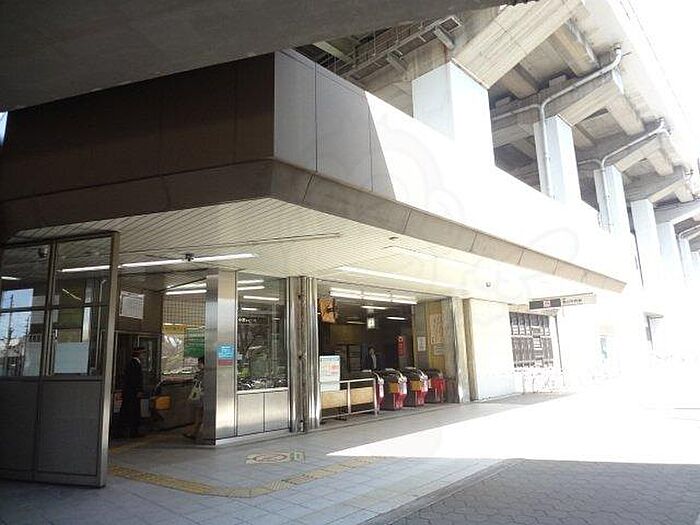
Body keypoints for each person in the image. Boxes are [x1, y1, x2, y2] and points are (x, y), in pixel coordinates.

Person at [120, 347, 144, 438]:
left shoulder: (131, 363)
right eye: (142, 354)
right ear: (139, 354)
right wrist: (139, 390)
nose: (143, 356)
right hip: (133, 393)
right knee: (133, 411)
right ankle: (133, 431)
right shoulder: (135, 364)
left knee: (127, 411)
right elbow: (135, 379)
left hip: (129, 392)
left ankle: (124, 431)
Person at [185, 356, 204, 440]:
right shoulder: (200, 373)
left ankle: (195, 433)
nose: (198, 365)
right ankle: (195, 432)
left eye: (199, 363)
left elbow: (198, 382)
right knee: (199, 415)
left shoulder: (202, 374)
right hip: (202, 397)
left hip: (202, 397)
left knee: (199, 415)